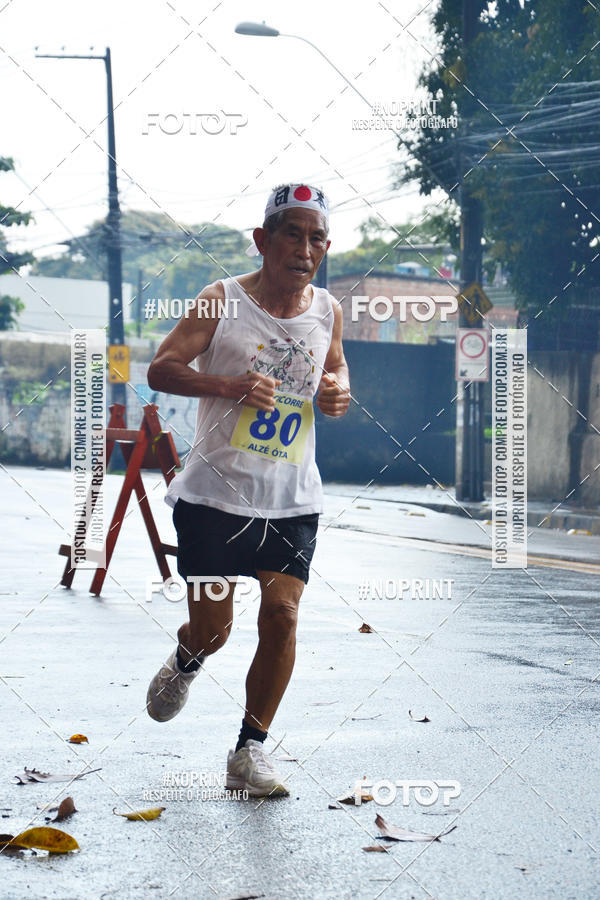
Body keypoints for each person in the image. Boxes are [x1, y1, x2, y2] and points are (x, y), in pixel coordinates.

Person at [145, 183, 350, 797]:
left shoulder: (327, 311)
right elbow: (162, 368)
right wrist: (228, 385)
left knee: (283, 615)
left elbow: (335, 365)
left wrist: (338, 389)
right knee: (214, 628)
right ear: (263, 240)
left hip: (291, 496)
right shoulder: (221, 301)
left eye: (317, 239)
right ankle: (189, 656)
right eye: (293, 234)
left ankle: (249, 749)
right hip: (214, 496)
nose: (305, 249)